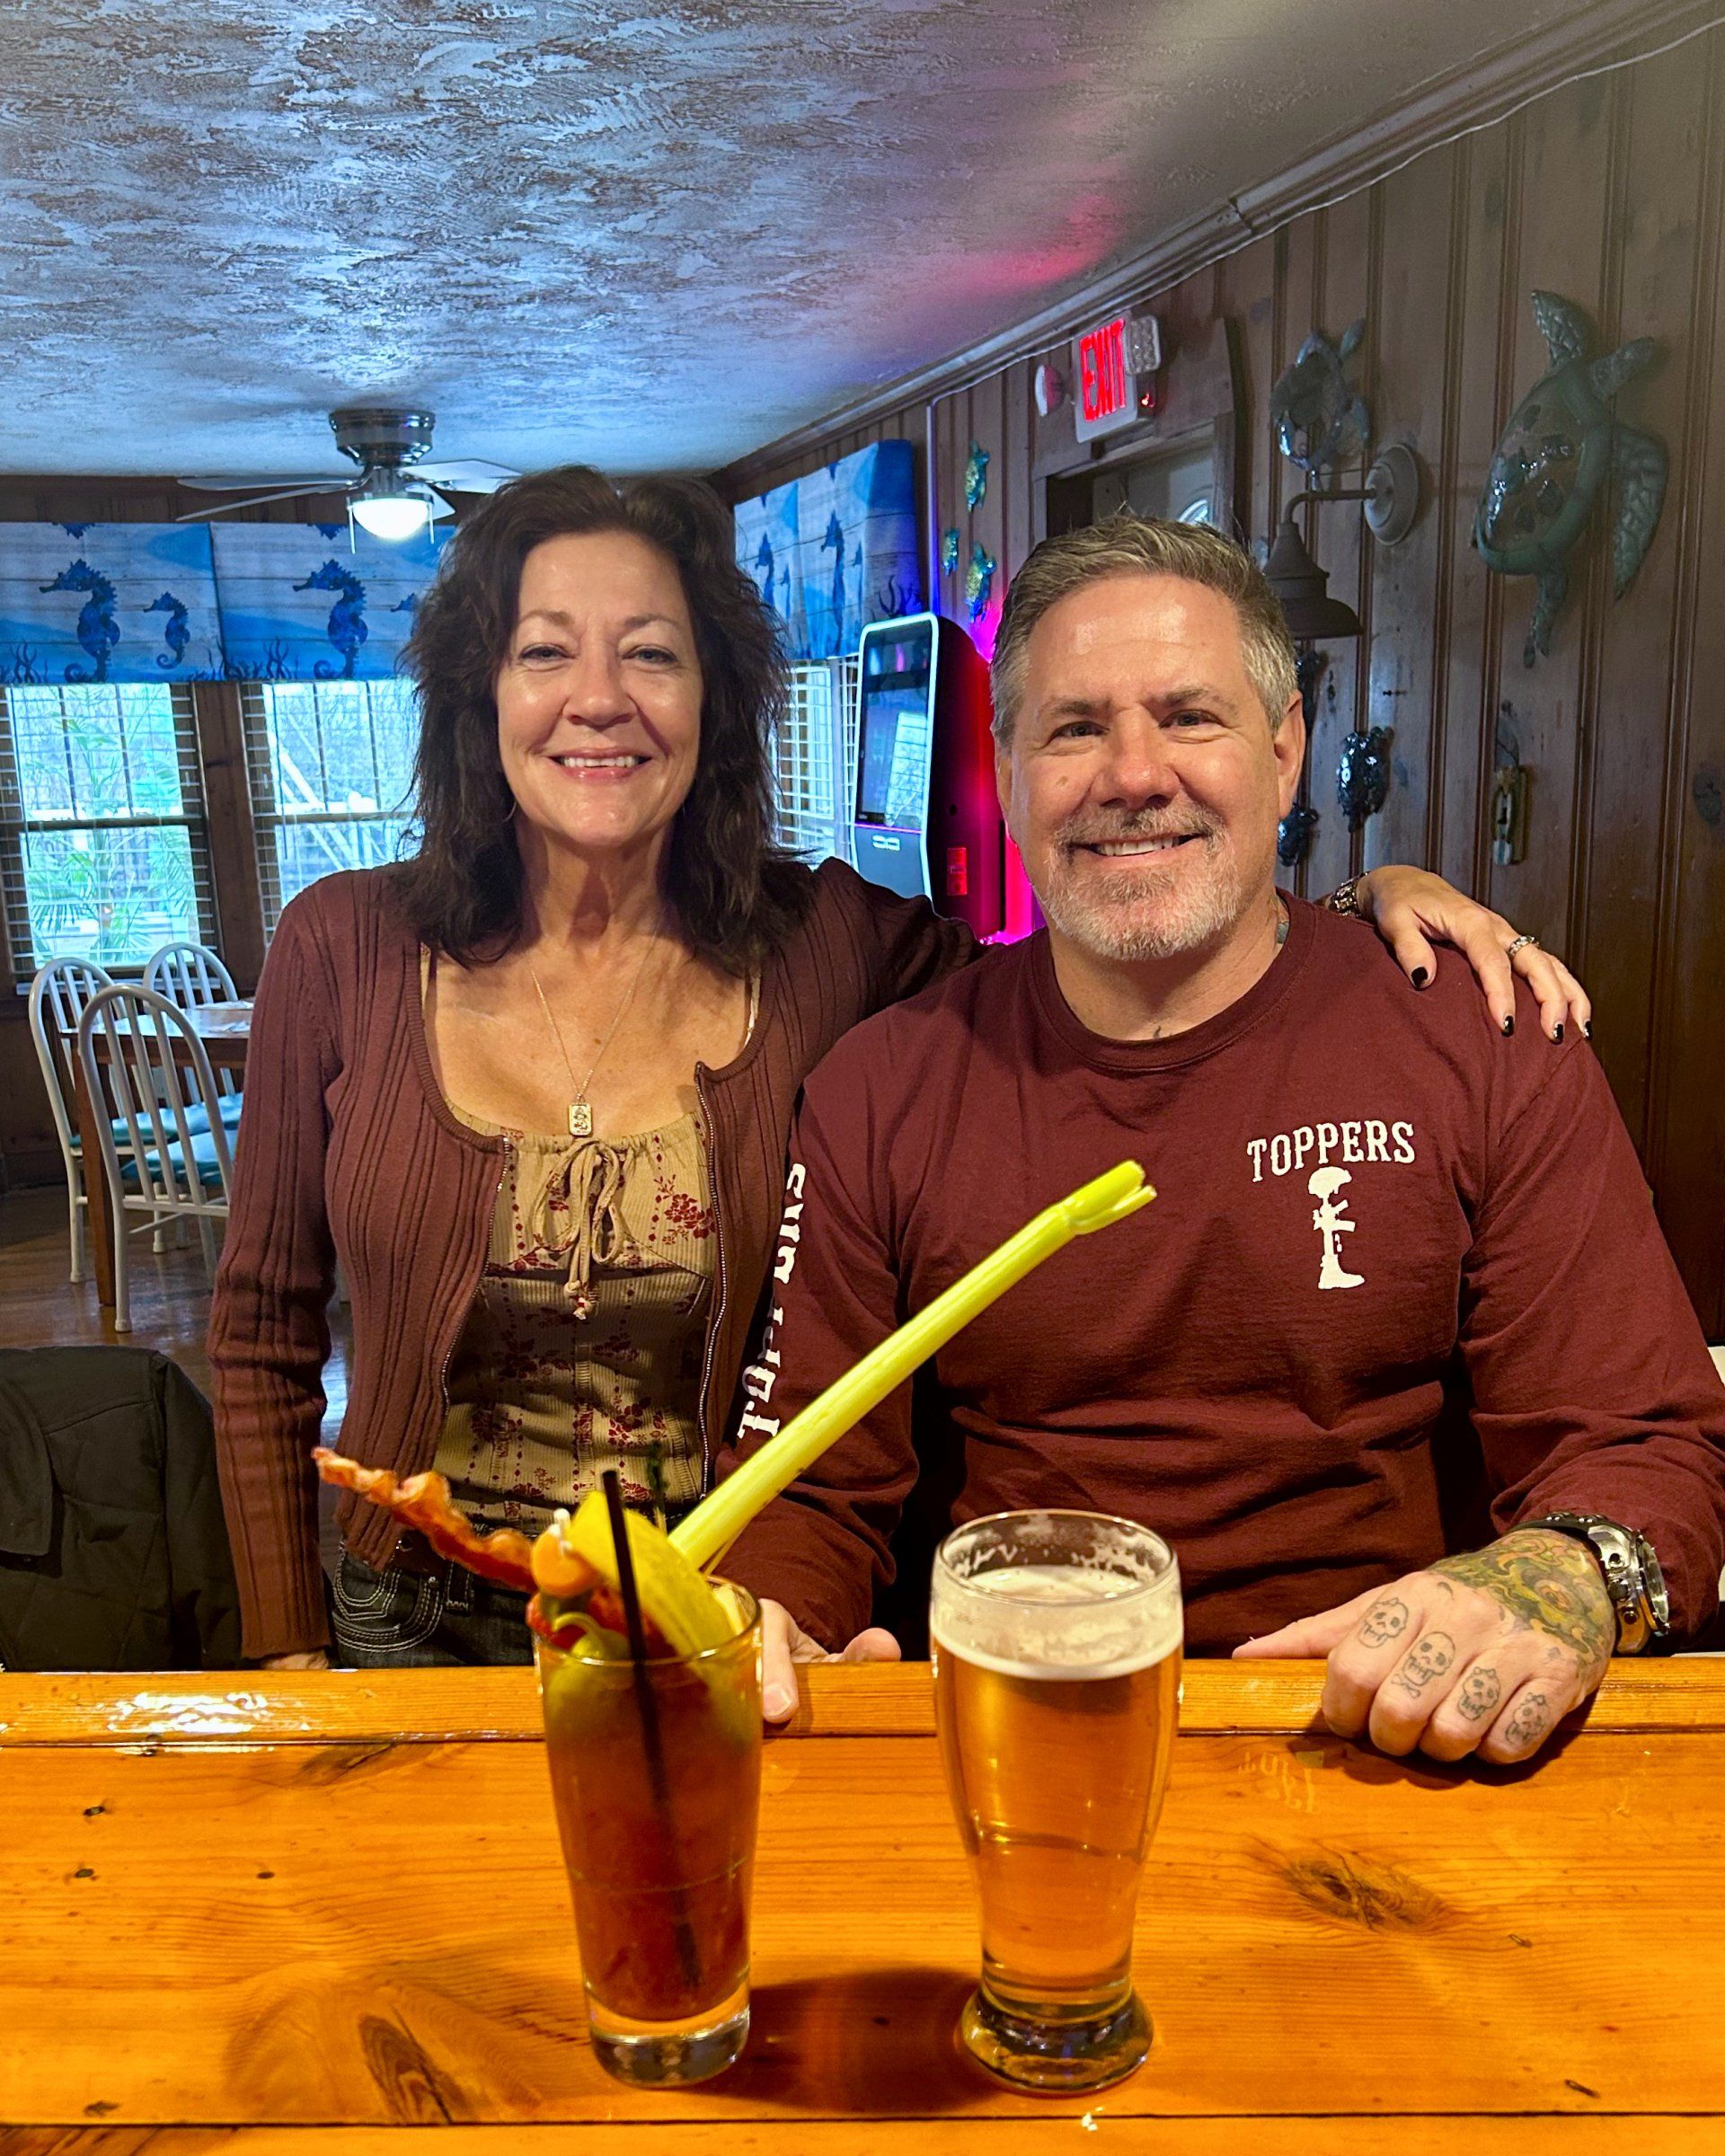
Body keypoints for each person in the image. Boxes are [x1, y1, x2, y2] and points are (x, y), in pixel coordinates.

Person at [208, 470, 1588, 1670]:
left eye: (653, 654)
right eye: (542, 653)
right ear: (476, 692)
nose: (599, 701)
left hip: (717, 1610)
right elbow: (262, 1330)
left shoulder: (828, 947)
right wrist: (285, 1653)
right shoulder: (345, 947)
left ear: (717, 698)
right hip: (408, 1615)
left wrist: (1352, 915)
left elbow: (1115, 936)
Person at [717, 513, 1725, 1765]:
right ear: (1008, 763)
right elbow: (806, 1489)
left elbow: (1639, 1444)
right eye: (1075, 727)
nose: (1133, 773)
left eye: (1190, 717)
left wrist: (1558, 1582)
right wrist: (763, 1626)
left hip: (1394, 1739)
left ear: (1286, 749)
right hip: (1015, 1733)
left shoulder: (1483, 1033)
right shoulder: (883, 1085)